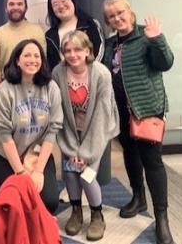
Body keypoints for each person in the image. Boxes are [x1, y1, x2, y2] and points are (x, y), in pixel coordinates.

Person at [103, 0, 174, 244]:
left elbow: (165, 63)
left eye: (120, 12)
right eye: (111, 16)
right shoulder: (111, 43)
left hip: (146, 109)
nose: (117, 18)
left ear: (130, 11)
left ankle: (162, 219)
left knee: (152, 162)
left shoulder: (146, 35)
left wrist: (158, 39)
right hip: (120, 110)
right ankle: (138, 196)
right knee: (130, 154)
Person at [52, 30, 119, 241]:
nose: (72, 55)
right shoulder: (58, 73)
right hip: (71, 134)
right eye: (67, 50)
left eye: (78, 49)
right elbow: (59, 112)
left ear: (88, 50)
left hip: (96, 133)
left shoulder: (101, 74)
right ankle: (76, 211)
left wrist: (86, 153)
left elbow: (101, 115)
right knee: (70, 173)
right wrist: (71, 150)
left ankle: (97, 215)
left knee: (86, 174)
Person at [0, 39, 63, 214]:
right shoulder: (4, 91)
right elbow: (5, 136)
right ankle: (4, 191)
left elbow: (52, 132)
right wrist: (21, 174)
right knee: (20, 202)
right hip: (4, 155)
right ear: (17, 61)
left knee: (49, 203)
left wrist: (38, 171)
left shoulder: (51, 88)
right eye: (26, 55)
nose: (32, 60)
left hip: (35, 152)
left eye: (37, 56)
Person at [0, 0, 47, 91]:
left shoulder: (37, 31)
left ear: (26, 7)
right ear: (6, 8)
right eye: (11, 4)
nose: (16, 7)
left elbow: (42, 61)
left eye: (20, 4)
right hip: (6, 87)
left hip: (33, 86)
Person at [45, 0, 104, 71]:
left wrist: (89, 73)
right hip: (61, 80)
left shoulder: (90, 25)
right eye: (55, 4)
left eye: (63, 1)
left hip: (90, 76)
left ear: (73, 2)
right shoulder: (49, 35)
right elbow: (50, 63)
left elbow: (100, 50)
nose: (60, 6)